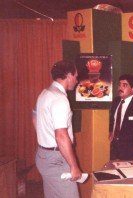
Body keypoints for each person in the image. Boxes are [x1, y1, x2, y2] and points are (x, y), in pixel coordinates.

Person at [32, 60, 81, 198]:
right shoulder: (59, 99)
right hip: (57, 160)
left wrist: (45, 136)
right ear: (69, 75)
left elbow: (34, 117)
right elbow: (61, 135)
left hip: (43, 155)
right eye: (76, 76)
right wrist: (73, 166)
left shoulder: (44, 93)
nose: (77, 81)